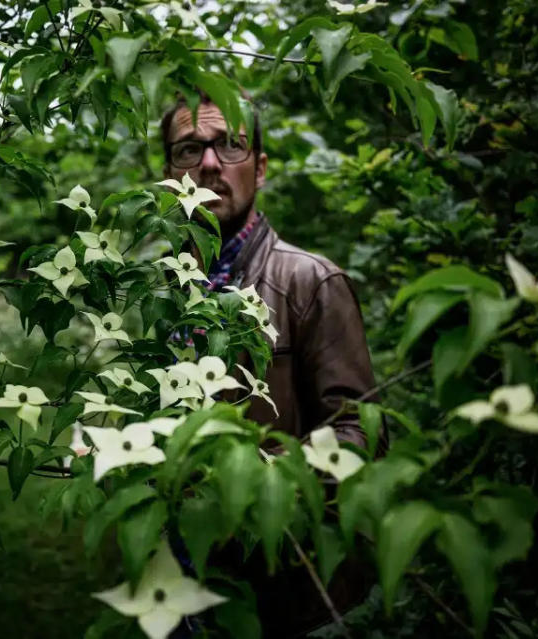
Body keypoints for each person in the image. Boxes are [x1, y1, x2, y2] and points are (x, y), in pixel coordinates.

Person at [161, 93, 382, 636]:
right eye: (189, 150)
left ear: (259, 167)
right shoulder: (162, 293)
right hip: (184, 578)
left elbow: (360, 433)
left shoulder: (309, 282)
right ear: (171, 173)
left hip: (290, 592)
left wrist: (253, 489)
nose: (210, 164)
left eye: (229, 145)